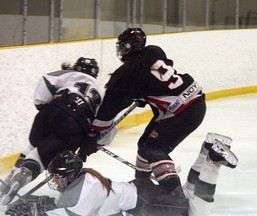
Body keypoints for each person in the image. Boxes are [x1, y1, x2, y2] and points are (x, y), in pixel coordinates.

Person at [82, 27, 207, 198]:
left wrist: (93, 135)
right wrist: (142, 93)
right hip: (192, 100)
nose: (121, 51)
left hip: (183, 111)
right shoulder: (154, 51)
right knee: (144, 145)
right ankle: (142, 184)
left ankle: (174, 194)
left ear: (128, 47)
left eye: (123, 46)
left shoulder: (126, 74)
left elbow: (109, 109)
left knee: (153, 148)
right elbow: (155, 79)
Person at [5, 135, 238, 216]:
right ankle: (206, 149)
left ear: (70, 175)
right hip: (141, 193)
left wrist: (37, 209)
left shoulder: (83, 190)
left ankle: (212, 163)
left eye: (57, 176)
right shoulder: (83, 179)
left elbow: (75, 212)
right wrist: (39, 204)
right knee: (188, 196)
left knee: (198, 213)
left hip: (146, 200)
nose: (54, 181)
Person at [0, 57, 116, 205]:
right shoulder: (101, 92)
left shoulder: (68, 74)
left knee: (34, 147)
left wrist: (43, 106)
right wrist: (93, 142)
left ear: (76, 68)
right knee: (42, 157)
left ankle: (15, 174)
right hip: (75, 125)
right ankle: (26, 173)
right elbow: (107, 127)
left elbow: (46, 81)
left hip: (52, 109)